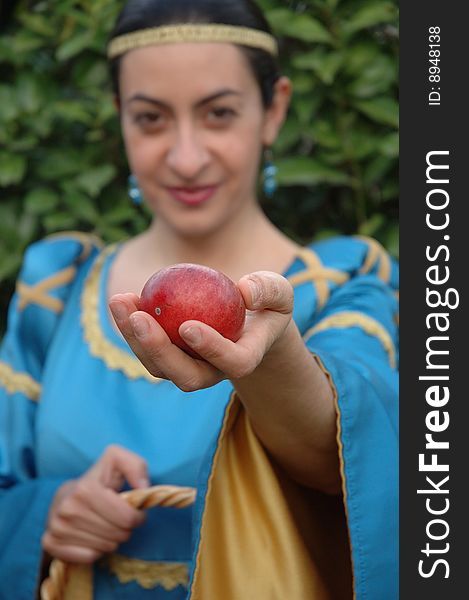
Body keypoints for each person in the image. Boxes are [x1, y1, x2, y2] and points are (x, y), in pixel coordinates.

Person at [0, 0, 399, 598]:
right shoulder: (54, 288)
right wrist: (44, 514)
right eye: (151, 119)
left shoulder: (343, 282)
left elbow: (356, 467)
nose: (186, 158)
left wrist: (274, 360)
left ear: (274, 110)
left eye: (218, 113)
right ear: (119, 118)